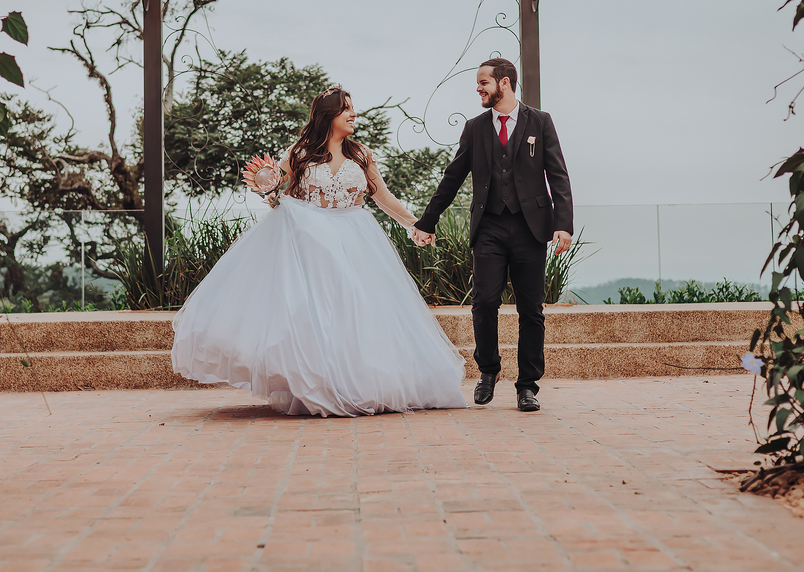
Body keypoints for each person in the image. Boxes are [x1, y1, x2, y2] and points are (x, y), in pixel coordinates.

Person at [171, 85, 468, 417]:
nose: (353, 114)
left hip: (356, 240)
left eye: (352, 108)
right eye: (346, 109)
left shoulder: (362, 155)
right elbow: (276, 196)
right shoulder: (298, 155)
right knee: (317, 315)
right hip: (310, 245)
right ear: (328, 116)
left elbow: (382, 196)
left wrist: (416, 224)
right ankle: (320, 383)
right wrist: (267, 188)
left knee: (356, 309)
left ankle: (359, 382)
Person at [411, 58, 573, 412]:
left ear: (504, 83)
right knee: (484, 302)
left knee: (531, 310)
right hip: (489, 227)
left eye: (484, 82)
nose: (479, 89)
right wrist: (427, 221)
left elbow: (557, 175)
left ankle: (528, 386)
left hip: (531, 228)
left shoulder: (540, 122)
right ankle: (488, 371)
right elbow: (452, 178)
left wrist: (563, 224)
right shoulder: (474, 128)